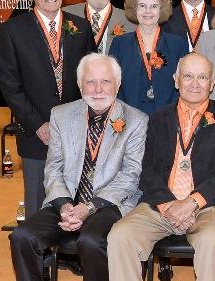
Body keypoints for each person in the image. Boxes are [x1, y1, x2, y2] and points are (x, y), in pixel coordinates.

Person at [9, 54, 147, 281]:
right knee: (22, 236)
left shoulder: (136, 120)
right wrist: (64, 206)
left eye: (106, 81)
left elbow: (130, 176)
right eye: (90, 82)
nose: (98, 89)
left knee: (91, 241)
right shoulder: (61, 115)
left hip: (110, 203)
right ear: (80, 84)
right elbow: (53, 168)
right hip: (67, 201)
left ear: (118, 84)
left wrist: (88, 208)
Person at [107, 53, 215, 281]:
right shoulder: (158, 118)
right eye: (188, 76)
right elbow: (147, 170)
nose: (195, 84)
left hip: (209, 205)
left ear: (213, 83)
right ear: (176, 80)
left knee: (212, 241)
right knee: (120, 235)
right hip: (162, 205)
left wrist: (191, 203)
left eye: (202, 77)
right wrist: (169, 205)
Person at [0, 0, 95, 217]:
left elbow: (91, 79)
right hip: (35, 136)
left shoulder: (81, 28)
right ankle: (38, 258)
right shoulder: (12, 30)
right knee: (39, 210)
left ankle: (68, 258)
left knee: (76, 205)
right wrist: (38, 124)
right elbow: (9, 85)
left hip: (77, 135)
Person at [109, 0, 188, 115]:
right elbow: (112, 84)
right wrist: (125, 113)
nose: (148, 11)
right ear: (135, 8)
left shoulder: (177, 44)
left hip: (167, 118)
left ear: (161, 9)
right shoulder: (119, 44)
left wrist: (170, 114)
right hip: (129, 118)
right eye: (142, 6)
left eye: (154, 6)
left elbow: (184, 83)